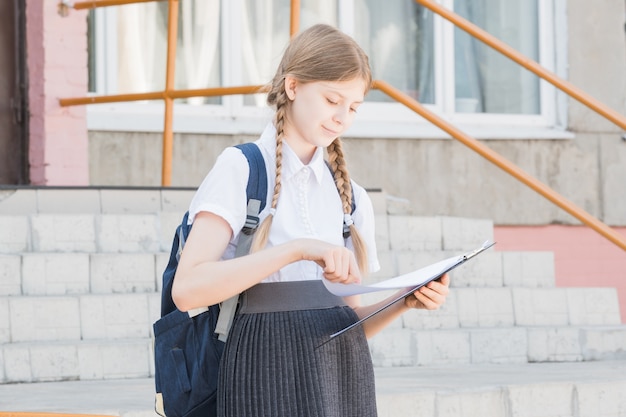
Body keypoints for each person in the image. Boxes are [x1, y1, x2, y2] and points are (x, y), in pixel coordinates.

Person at [171, 23, 450, 417]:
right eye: (332, 99)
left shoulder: (351, 198)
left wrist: (405, 300)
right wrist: (296, 250)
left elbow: (346, 324)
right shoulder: (242, 168)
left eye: (353, 107)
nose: (341, 117)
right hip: (262, 368)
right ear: (293, 86)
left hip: (342, 377)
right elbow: (187, 289)